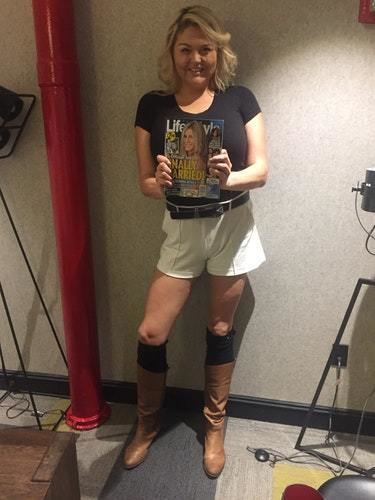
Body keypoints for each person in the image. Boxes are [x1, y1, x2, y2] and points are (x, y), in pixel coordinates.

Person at [124, 5, 268, 478]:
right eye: (186, 49)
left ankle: (213, 429)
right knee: (151, 332)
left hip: (232, 224)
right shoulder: (153, 105)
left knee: (220, 329)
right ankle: (146, 425)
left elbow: (262, 172)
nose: (196, 58)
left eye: (205, 48)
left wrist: (229, 177)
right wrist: (161, 180)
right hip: (182, 228)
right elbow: (145, 183)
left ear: (218, 51)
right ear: (173, 53)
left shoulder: (240, 98)